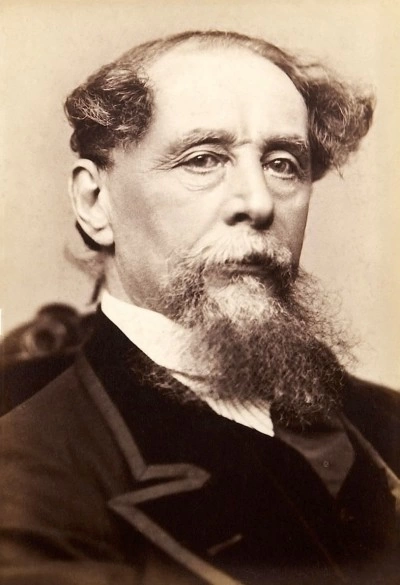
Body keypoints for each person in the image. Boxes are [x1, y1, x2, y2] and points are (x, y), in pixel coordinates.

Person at [1, 30, 399, 585]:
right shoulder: (27, 471)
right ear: (95, 203)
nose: (258, 202)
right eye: (204, 159)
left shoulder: (386, 422)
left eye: (283, 163)